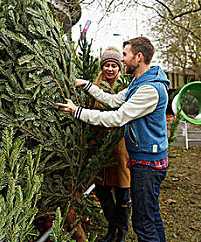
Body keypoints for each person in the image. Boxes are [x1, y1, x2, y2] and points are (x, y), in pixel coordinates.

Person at [58, 37, 170, 242]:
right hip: (143, 159)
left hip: (149, 163)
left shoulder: (149, 89)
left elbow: (117, 117)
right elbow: (112, 100)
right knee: (151, 215)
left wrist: (77, 112)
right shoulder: (139, 82)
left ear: (139, 57)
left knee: (143, 222)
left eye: (125, 55)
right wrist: (87, 85)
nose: (122, 60)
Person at [89, 48, 131, 242]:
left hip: (120, 148)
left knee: (122, 191)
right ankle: (111, 228)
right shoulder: (94, 87)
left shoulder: (126, 88)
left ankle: (122, 232)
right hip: (99, 147)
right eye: (107, 65)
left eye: (114, 65)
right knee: (103, 190)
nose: (110, 69)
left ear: (119, 68)